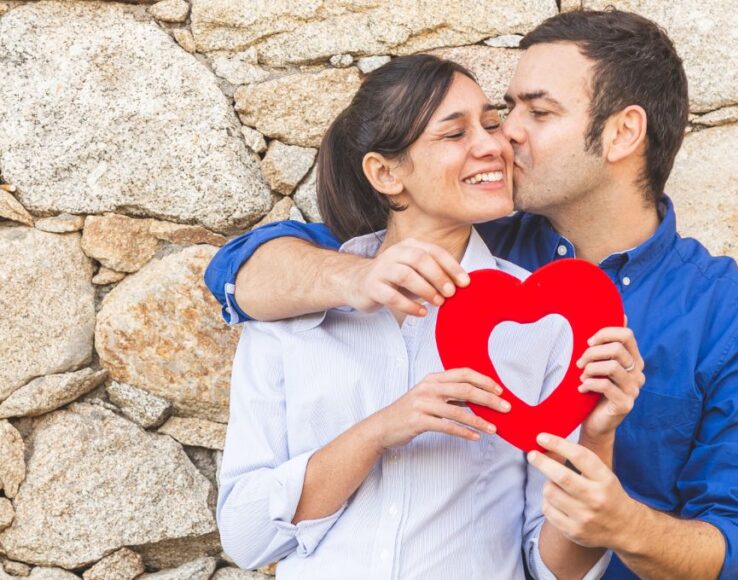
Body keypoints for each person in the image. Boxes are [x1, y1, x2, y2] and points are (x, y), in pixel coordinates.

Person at [207, 10, 738, 580]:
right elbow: (241, 270)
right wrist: (351, 280)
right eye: (506, 110)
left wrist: (622, 522)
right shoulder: (453, 231)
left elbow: (734, 549)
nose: (504, 134)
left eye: (537, 112)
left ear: (622, 132)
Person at [216, 54, 645, 579]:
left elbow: (558, 571)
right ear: (386, 173)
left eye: (491, 124)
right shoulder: (293, 312)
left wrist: (598, 440)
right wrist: (378, 431)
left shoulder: (546, 329)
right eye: (455, 133)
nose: (492, 145)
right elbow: (246, 537)